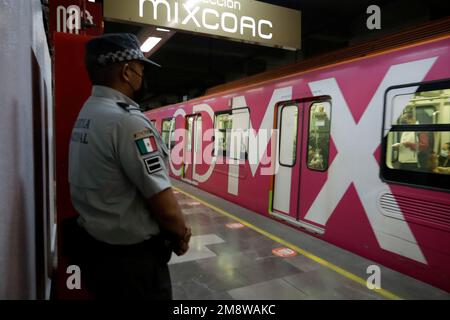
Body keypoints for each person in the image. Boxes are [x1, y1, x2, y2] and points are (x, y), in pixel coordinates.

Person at [67, 33, 191, 299]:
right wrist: (181, 233)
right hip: (132, 266)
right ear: (126, 71)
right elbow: (166, 207)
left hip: (96, 252)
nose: (142, 76)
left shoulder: (88, 112)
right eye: (141, 69)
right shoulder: (127, 122)